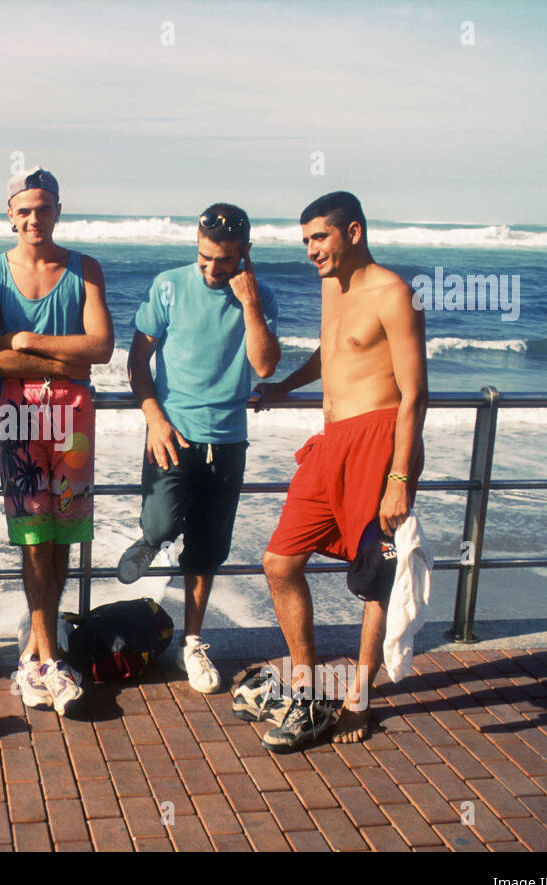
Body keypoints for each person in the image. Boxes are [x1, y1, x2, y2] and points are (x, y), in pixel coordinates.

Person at [253, 191, 428, 751]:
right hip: (331, 444)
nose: (311, 251)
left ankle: (359, 699)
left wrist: (400, 477)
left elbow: (415, 395)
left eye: (319, 238)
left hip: (380, 444)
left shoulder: (396, 293)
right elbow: (332, 355)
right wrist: (284, 386)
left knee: (373, 574)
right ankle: (305, 688)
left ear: (353, 231)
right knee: (280, 561)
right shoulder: (332, 286)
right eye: (305, 241)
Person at [117, 203, 280, 693]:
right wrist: (154, 420)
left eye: (224, 260)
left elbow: (266, 366)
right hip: (173, 431)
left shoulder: (261, 294)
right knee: (162, 523)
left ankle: (192, 641)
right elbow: (137, 360)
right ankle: (151, 540)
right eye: (204, 257)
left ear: (245, 253)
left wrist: (249, 302)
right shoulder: (169, 284)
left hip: (227, 439)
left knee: (208, 549)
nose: (212, 269)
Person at [0, 167, 114, 716]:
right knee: (33, 537)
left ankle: (37, 647)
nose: (34, 218)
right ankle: (47, 662)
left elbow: (100, 348)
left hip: (74, 410)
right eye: (24, 209)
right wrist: (63, 353)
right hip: (20, 410)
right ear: (10, 213)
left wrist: (29, 340)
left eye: (44, 207)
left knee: (61, 535)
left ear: (59, 210)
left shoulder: (87, 268)